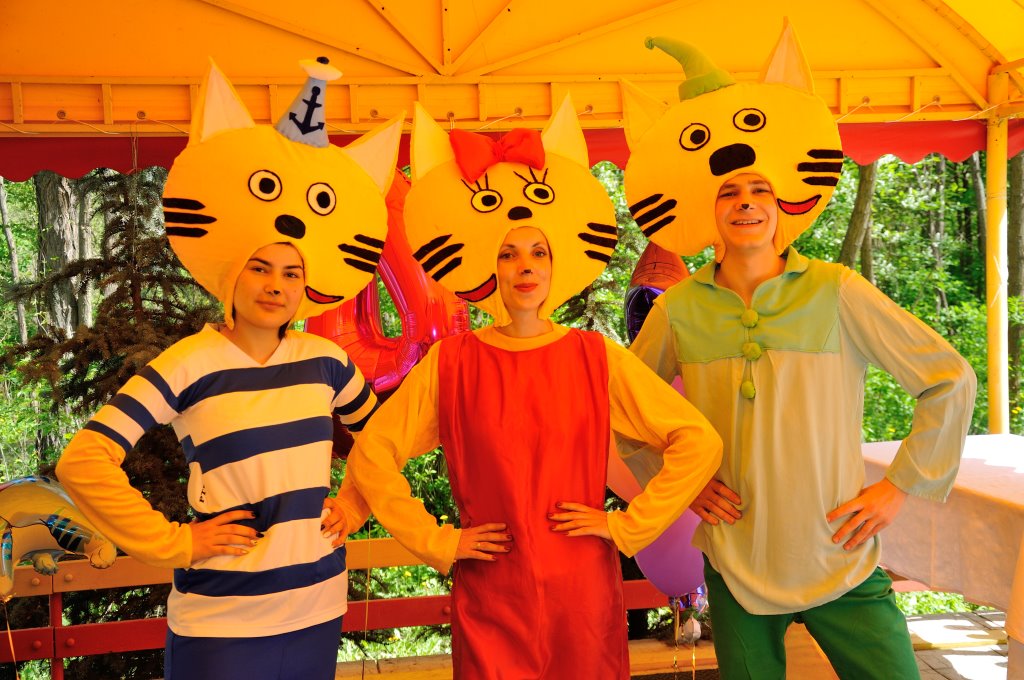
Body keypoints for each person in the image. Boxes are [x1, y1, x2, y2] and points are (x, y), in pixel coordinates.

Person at [622, 27, 977, 680]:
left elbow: (948, 379)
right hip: (735, 559)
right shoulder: (678, 309)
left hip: (841, 553)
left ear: (781, 204)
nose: (745, 202)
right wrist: (681, 485)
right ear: (710, 208)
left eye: (759, 190)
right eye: (729, 192)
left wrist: (900, 487)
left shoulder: (837, 291)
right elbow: (625, 412)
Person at [341, 98, 723, 680]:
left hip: (581, 594)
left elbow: (697, 440)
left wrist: (627, 526)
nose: (525, 265)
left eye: (537, 252)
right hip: (491, 591)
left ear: (553, 266)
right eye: (509, 253)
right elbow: (373, 451)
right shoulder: (453, 362)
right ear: (490, 267)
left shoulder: (595, 356)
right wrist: (437, 542)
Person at [55, 57, 402, 680]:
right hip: (221, 624)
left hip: (319, 607)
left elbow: (383, 442)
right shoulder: (189, 363)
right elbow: (83, 461)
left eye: (291, 272)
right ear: (230, 274)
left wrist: (355, 503)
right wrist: (177, 541)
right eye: (260, 268)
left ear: (305, 285)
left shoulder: (327, 362)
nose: (275, 284)